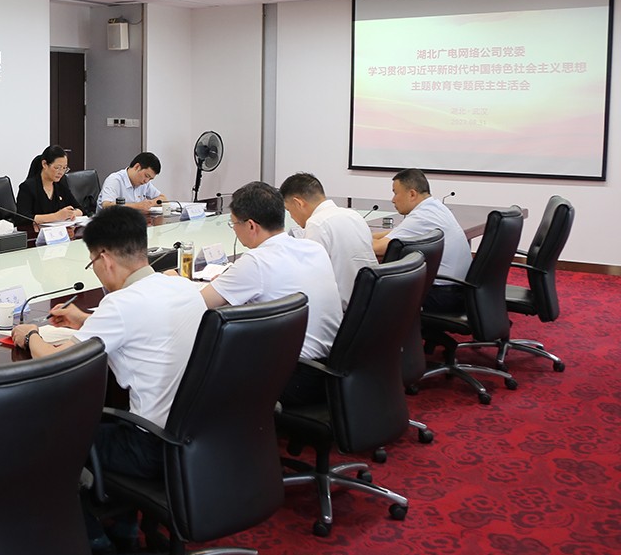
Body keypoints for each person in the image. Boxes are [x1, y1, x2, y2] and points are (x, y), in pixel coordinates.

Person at [13, 206, 204, 495]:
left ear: (104, 259)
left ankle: (86, 521)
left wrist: (30, 336)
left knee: (44, 437)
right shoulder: (182, 286)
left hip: (148, 447)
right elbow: (143, 326)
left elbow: (58, 362)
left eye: (92, 262)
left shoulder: (121, 304)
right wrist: (84, 320)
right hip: (195, 437)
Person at [200, 181, 342, 406]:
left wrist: (173, 282)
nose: (234, 229)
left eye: (233, 223)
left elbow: (199, 303)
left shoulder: (256, 261)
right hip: (330, 371)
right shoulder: (313, 249)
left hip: (293, 379)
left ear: (251, 226)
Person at [371, 168, 472, 312]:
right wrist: (366, 234)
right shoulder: (434, 207)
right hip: (459, 290)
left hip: (443, 295)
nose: (393, 199)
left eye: (395, 193)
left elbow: (377, 248)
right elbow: (394, 233)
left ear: (412, 194)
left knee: (370, 290)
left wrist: (352, 237)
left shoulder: (421, 217)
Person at [280, 172, 378, 310]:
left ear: (298, 203)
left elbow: (308, 277)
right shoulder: (353, 215)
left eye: (289, 210)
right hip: (369, 303)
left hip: (342, 310)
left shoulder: (317, 223)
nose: (291, 216)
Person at [16, 145, 83, 224]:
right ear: (44, 164)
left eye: (64, 168)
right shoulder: (27, 187)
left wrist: (71, 214)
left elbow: (80, 209)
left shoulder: (61, 185)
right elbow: (23, 218)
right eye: (57, 168)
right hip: (35, 231)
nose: (61, 172)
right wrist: (56, 216)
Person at [97, 152, 162, 211]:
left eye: (150, 179)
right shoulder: (114, 180)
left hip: (133, 219)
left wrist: (150, 203)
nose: (146, 181)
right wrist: (137, 206)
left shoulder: (145, 183)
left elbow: (162, 198)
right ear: (137, 167)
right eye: (146, 176)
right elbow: (107, 205)